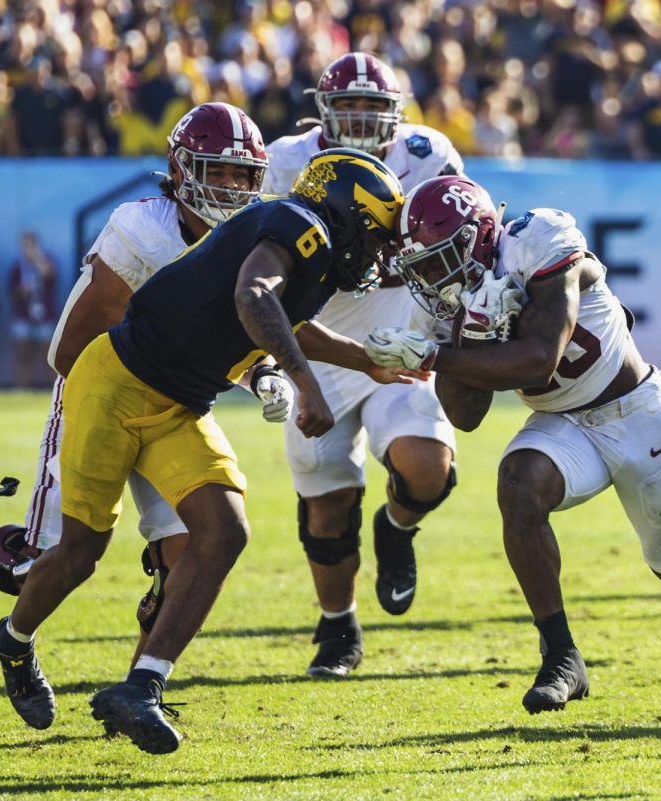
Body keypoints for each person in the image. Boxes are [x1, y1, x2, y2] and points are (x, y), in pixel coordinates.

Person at [0, 148, 410, 755]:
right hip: (113, 385)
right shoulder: (297, 222)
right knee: (79, 554)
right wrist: (307, 386)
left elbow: (287, 317)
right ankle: (14, 638)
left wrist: (364, 358)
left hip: (177, 404)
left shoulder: (310, 254)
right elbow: (255, 295)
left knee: (224, 528)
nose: (377, 252)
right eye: (373, 234)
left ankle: (144, 685)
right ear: (345, 213)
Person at [0, 104, 282, 674]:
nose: (229, 188)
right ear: (179, 171)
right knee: (42, 563)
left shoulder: (250, 242)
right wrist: (118, 409)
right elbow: (67, 351)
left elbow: (228, 338)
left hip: (175, 406)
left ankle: (139, 691)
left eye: (241, 175)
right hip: (97, 392)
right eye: (215, 171)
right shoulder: (142, 231)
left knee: (193, 551)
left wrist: (262, 371)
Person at [364, 175, 661, 754]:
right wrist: (460, 342)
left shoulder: (539, 239)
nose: (435, 279)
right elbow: (466, 416)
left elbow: (541, 358)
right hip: (564, 425)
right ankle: (561, 653)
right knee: (518, 484)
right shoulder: (439, 305)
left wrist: (443, 352)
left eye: (443, 261)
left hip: (635, 411)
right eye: (424, 267)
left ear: (480, 239)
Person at [262, 52, 463, 678]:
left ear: (395, 114)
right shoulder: (286, 161)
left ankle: (397, 528)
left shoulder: (428, 154)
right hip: (314, 347)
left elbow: (456, 234)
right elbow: (256, 265)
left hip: (396, 337)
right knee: (327, 503)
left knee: (427, 467)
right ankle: (338, 627)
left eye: (370, 107)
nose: (357, 117)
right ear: (322, 109)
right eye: (345, 105)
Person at [9, 230, 58, 388]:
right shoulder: (18, 266)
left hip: (44, 315)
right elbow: (11, 292)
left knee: (48, 354)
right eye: (25, 245)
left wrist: (36, 258)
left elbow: (50, 274)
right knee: (22, 353)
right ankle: (22, 387)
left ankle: (52, 388)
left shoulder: (47, 260)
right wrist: (21, 290)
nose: (27, 248)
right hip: (23, 315)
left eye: (30, 244)